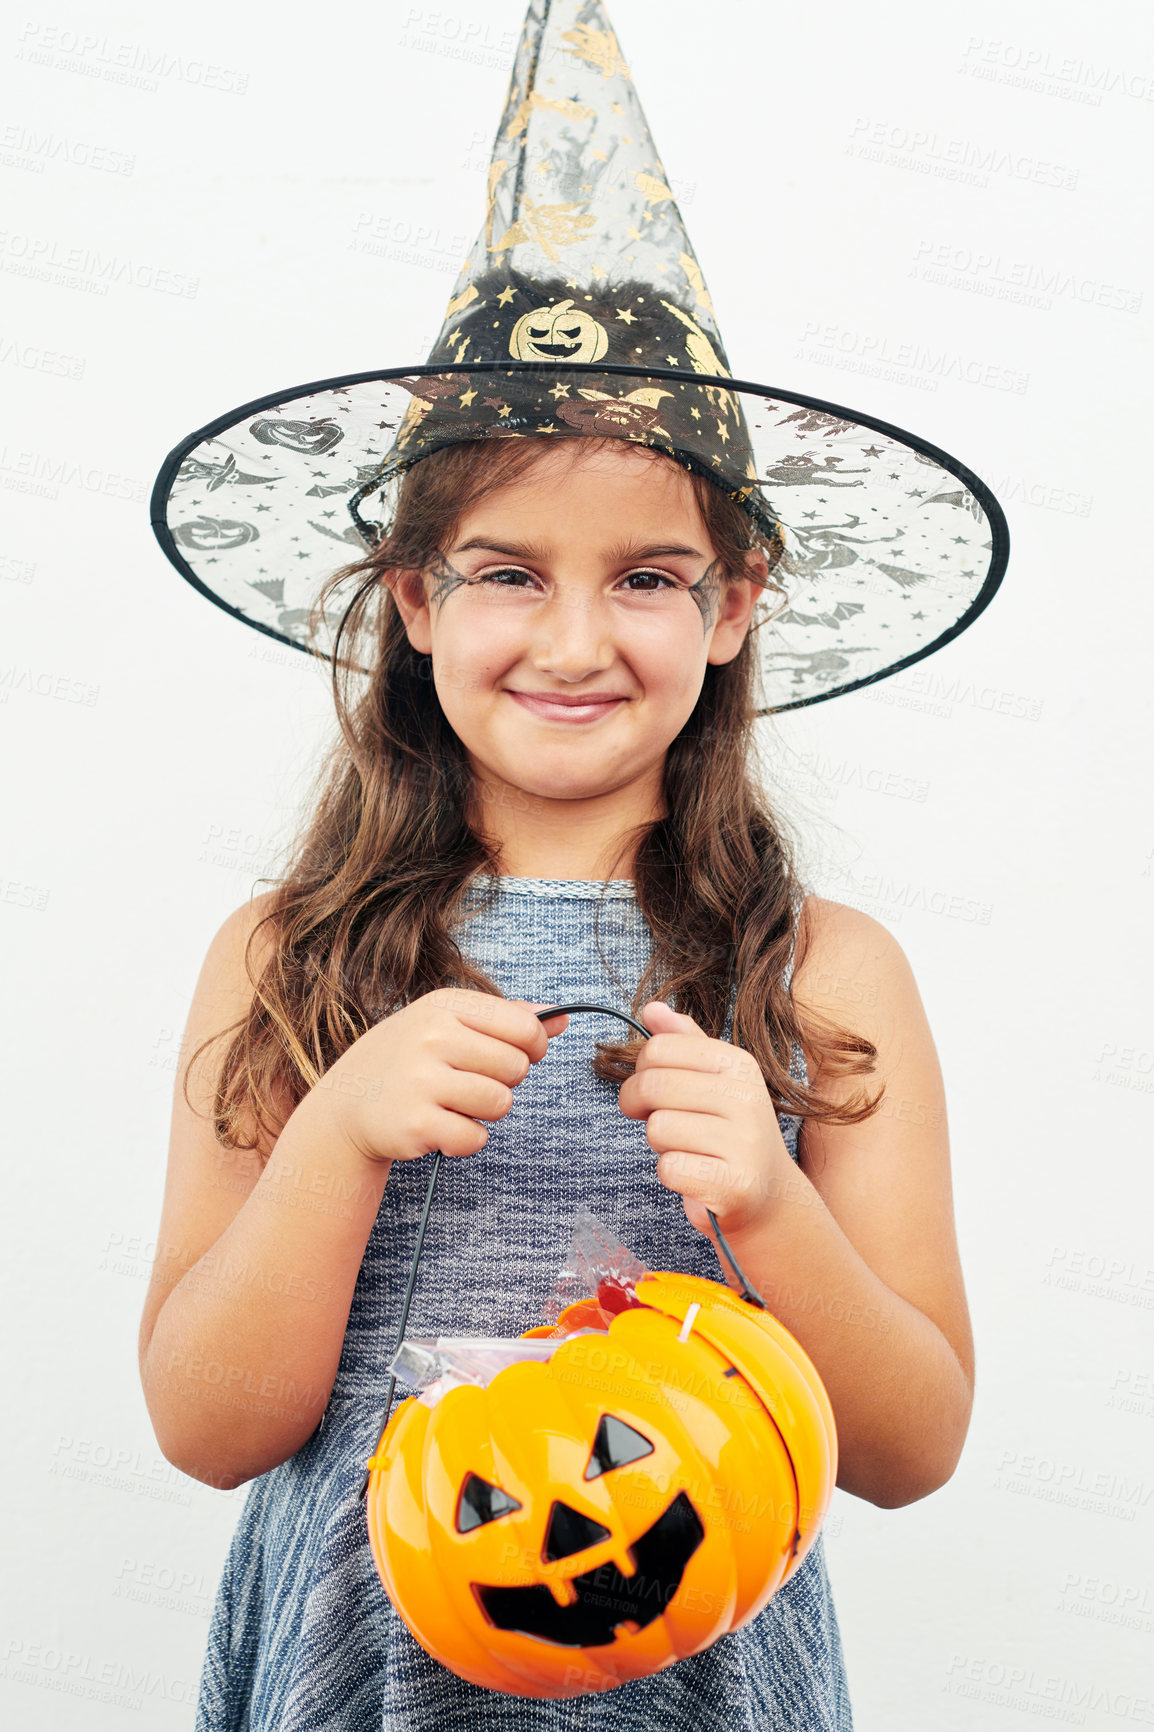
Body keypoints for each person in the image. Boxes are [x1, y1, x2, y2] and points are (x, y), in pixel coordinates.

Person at [140, 4, 1004, 1727]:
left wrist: (763, 1202)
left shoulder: (821, 972)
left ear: (734, 603)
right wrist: (335, 1135)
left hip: (699, 1670)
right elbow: (202, 1426)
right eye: (507, 571)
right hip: (361, 1664)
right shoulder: (283, 955)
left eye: (647, 576)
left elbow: (908, 1451)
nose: (574, 636)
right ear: (412, 601)